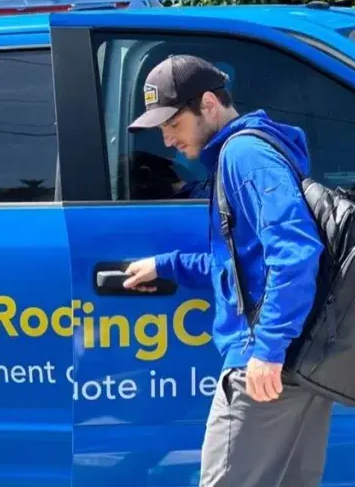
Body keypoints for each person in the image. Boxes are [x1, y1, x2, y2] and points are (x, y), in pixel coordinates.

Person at [122, 54, 333, 487]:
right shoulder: (242, 154)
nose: (166, 140)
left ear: (208, 104)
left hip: (265, 361)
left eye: (173, 124)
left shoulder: (244, 154)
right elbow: (240, 263)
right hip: (294, 360)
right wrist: (167, 266)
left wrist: (268, 350)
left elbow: (295, 251)